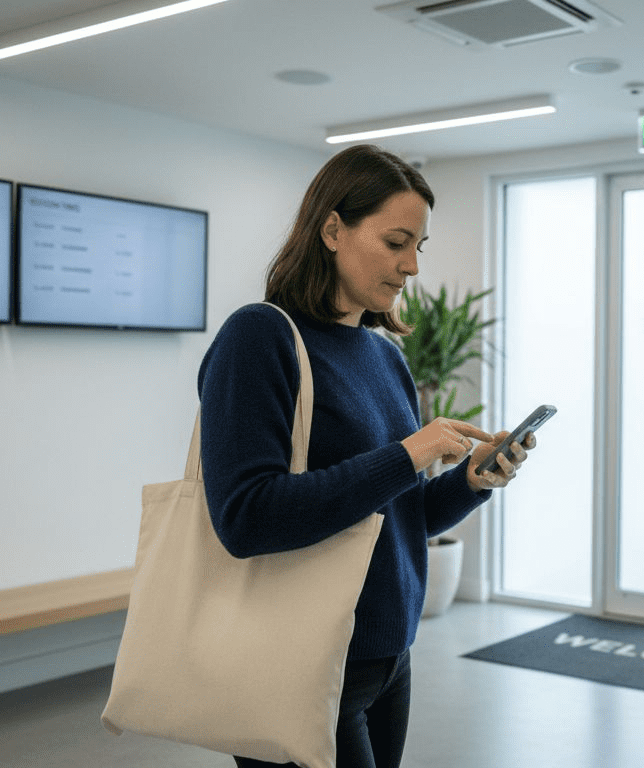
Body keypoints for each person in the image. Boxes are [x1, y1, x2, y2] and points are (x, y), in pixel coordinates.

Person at [197, 143, 534, 768]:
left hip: (386, 657)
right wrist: (409, 453)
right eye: (395, 241)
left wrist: (468, 481)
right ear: (332, 229)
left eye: (419, 248)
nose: (410, 266)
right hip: (298, 658)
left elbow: (395, 517)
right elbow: (245, 518)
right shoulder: (259, 336)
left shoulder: (385, 357)